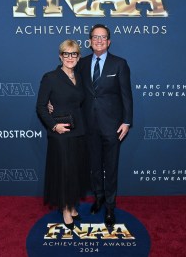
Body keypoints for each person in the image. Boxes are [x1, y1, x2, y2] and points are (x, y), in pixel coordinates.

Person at [48, 24, 133, 227]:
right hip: (87, 126)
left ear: (109, 41)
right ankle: (99, 198)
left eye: (103, 37)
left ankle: (110, 207)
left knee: (110, 168)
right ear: (90, 41)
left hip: (113, 127)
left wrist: (127, 121)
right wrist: (51, 102)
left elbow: (126, 96)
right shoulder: (81, 63)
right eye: (95, 37)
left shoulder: (120, 64)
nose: (99, 40)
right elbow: (66, 84)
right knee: (94, 168)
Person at [36, 40, 89, 230]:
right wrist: (54, 126)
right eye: (66, 54)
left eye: (73, 54)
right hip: (60, 134)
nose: (70, 58)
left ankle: (72, 203)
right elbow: (41, 106)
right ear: (60, 56)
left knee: (75, 170)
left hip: (79, 131)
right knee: (64, 171)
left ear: (78, 57)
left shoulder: (80, 77)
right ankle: (65, 209)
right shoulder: (50, 77)